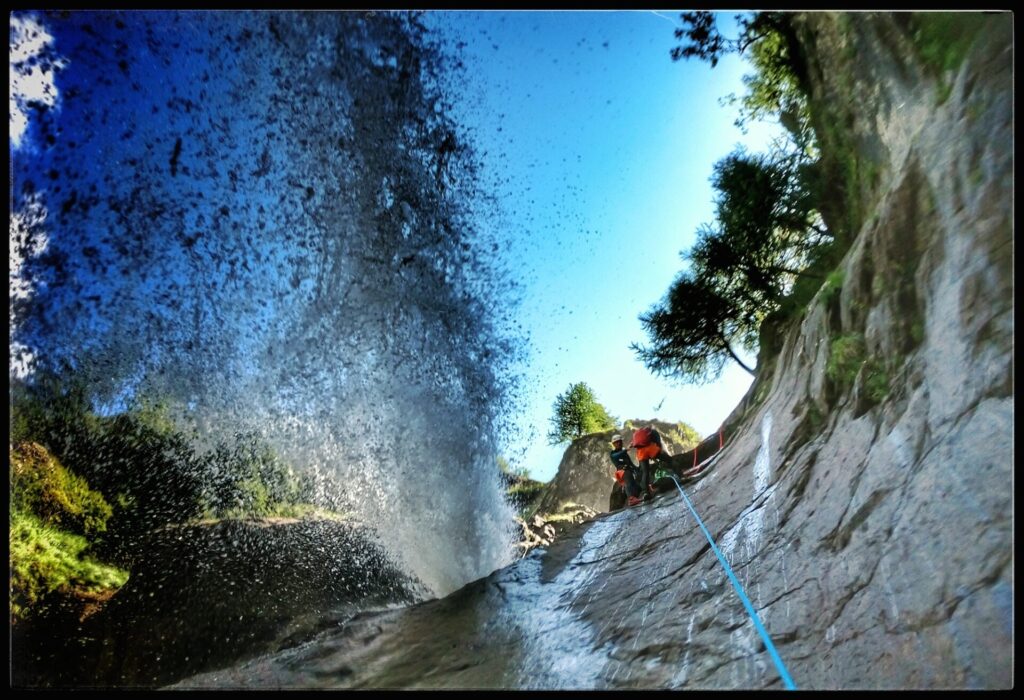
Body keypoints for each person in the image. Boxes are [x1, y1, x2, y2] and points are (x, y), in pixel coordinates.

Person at [630, 425, 667, 501]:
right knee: (669, 460)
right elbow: (658, 445)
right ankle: (681, 477)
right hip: (650, 449)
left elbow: (633, 445)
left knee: (645, 472)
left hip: (641, 453)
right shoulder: (654, 433)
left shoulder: (638, 436)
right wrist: (657, 457)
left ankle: (646, 492)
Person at [609, 434, 644, 507]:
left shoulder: (624, 452)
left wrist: (638, 469)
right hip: (622, 472)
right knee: (627, 479)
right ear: (613, 444)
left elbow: (630, 463)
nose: (619, 443)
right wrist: (626, 449)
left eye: (620, 441)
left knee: (637, 486)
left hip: (629, 471)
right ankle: (631, 499)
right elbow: (616, 456)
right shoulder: (613, 453)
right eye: (616, 442)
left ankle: (644, 491)